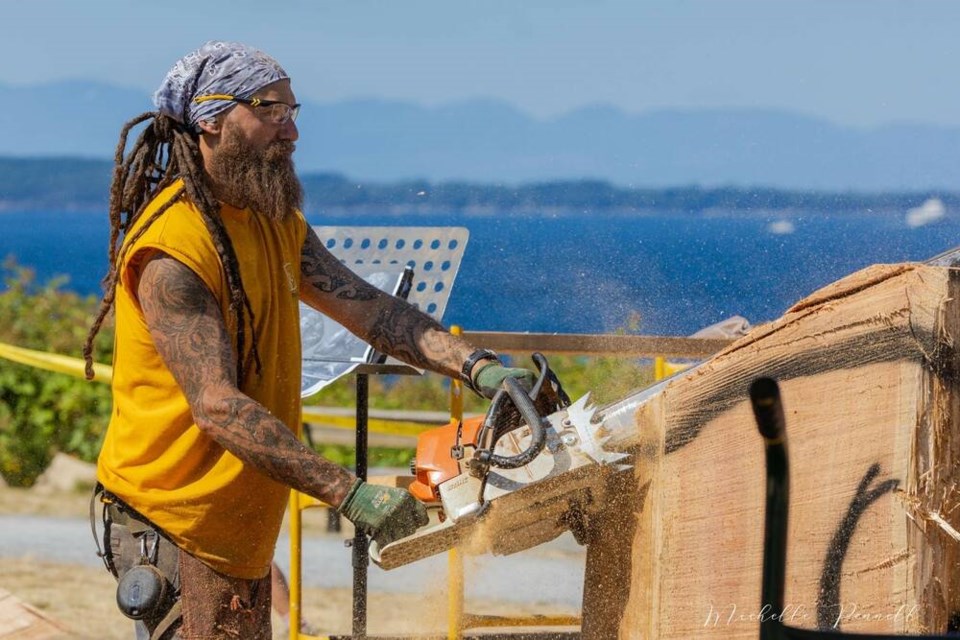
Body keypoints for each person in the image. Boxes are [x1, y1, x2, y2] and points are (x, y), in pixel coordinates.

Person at [82, 41, 535, 640]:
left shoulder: (274, 221)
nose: (291, 131)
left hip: (233, 521)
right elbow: (218, 406)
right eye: (270, 110)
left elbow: (370, 309)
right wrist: (350, 494)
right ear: (211, 121)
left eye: (294, 111)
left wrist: (475, 366)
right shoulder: (174, 250)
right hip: (173, 521)